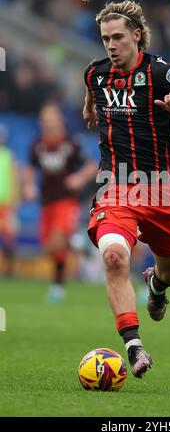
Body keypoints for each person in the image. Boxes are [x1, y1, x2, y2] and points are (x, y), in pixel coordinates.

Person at [83, 0, 170, 378]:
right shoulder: (96, 73)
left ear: (136, 35)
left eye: (118, 37)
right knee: (114, 257)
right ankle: (133, 346)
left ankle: (156, 286)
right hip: (116, 186)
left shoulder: (159, 72)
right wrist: (90, 108)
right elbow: (92, 91)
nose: (111, 45)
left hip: (158, 189)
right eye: (105, 38)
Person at [23, 103, 97, 302]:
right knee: (49, 248)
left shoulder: (71, 143)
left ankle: (58, 285)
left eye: (51, 117)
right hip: (46, 202)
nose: (48, 122)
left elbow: (91, 166)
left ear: (59, 119)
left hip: (67, 200)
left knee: (57, 241)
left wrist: (79, 178)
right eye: (45, 118)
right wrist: (29, 185)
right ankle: (79, 246)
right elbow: (29, 168)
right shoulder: (37, 145)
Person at [0, 124, 19, 278]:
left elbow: (14, 178)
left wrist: (15, 199)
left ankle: (10, 270)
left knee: (8, 237)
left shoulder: (8, 155)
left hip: (5, 204)